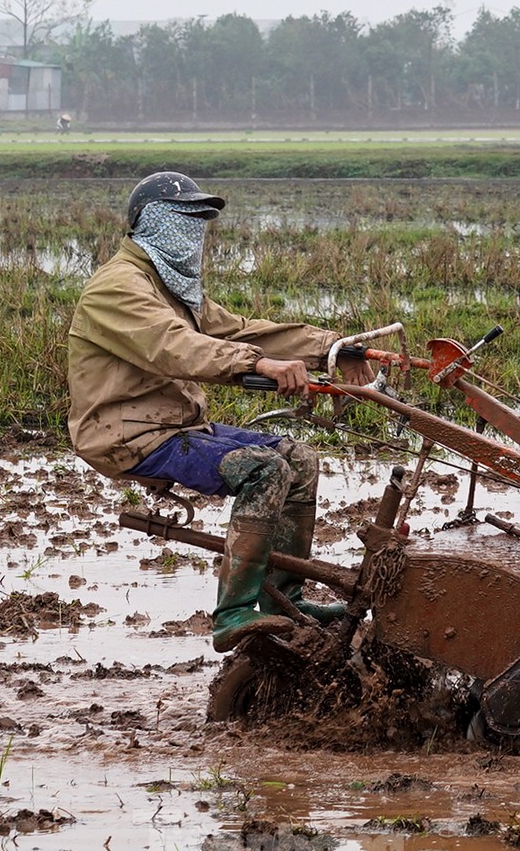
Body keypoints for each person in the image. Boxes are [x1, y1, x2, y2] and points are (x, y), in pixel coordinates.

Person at [67, 171, 372, 652]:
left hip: (177, 426)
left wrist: (332, 347)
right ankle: (232, 615)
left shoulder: (170, 285)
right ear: (153, 224)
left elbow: (240, 331)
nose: (196, 233)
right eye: (187, 219)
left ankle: (283, 602)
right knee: (265, 470)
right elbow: (178, 348)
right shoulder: (119, 287)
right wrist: (258, 365)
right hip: (127, 434)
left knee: (300, 459)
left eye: (200, 223)